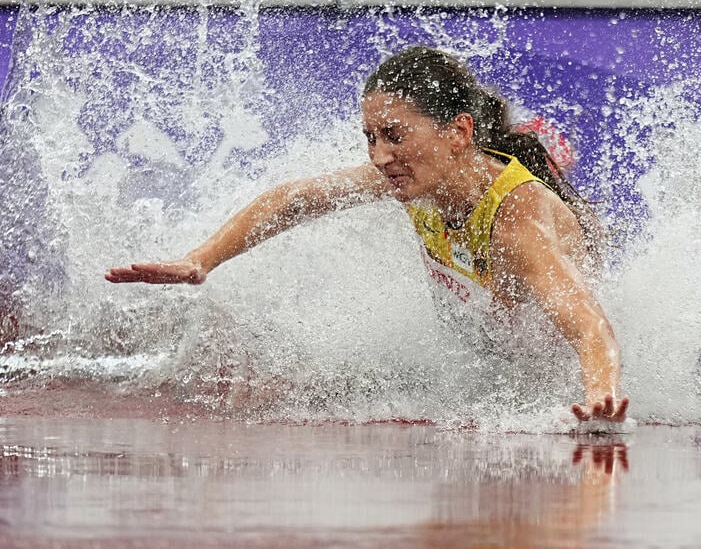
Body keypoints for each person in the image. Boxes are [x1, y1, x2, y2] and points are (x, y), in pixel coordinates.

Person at [106, 46, 628, 424]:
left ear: (458, 133)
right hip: (495, 349)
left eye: (395, 136)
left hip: (559, 366)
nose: (379, 156)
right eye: (371, 138)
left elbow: (588, 327)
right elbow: (290, 201)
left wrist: (602, 401)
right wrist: (202, 260)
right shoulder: (418, 177)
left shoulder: (518, 218)